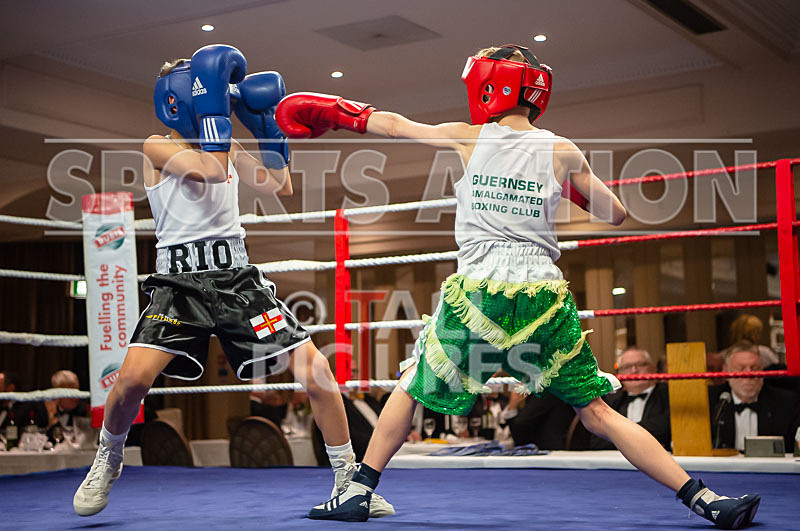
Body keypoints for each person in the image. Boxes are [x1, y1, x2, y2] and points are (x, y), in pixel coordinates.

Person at [276, 44, 760, 528]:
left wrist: (330, 112)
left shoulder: (470, 137)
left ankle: (359, 490)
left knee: (410, 386)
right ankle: (706, 500)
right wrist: (558, 183)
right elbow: (616, 213)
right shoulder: (562, 149)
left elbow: (396, 125)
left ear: (489, 85)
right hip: (545, 299)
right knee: (596, 412)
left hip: (482, 294)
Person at [72, 44, 392, 519]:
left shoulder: (228, 148)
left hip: (237, 280)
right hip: (179, 283)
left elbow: (278, 184)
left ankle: (348, 479)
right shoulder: (157, 146)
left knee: (319, 373)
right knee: (134, 379)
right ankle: (108, 456)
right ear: (183, 103)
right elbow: (209, 169)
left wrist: (266, 128)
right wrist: (221, 116)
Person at [709, 341, 800, 452]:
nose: (748, 374)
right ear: (726, 372)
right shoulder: (710, 401)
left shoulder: (786, 403)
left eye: (754, 367)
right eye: (741, 368)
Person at [590, 347, 670, 450]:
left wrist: (617, 434)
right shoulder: (611, 400)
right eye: (627, 367)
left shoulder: (667, 394)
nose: (634, 370)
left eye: (640, 364)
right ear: (619, 374)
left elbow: (665, 428)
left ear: (653, 368)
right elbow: (597, 442)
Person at [45, 370, 89, 442]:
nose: (75, 397)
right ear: (57, 393)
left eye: (76, 392)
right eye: (70, 393)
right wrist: (52, 418)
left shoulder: (85, 411)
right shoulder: (43, 410)